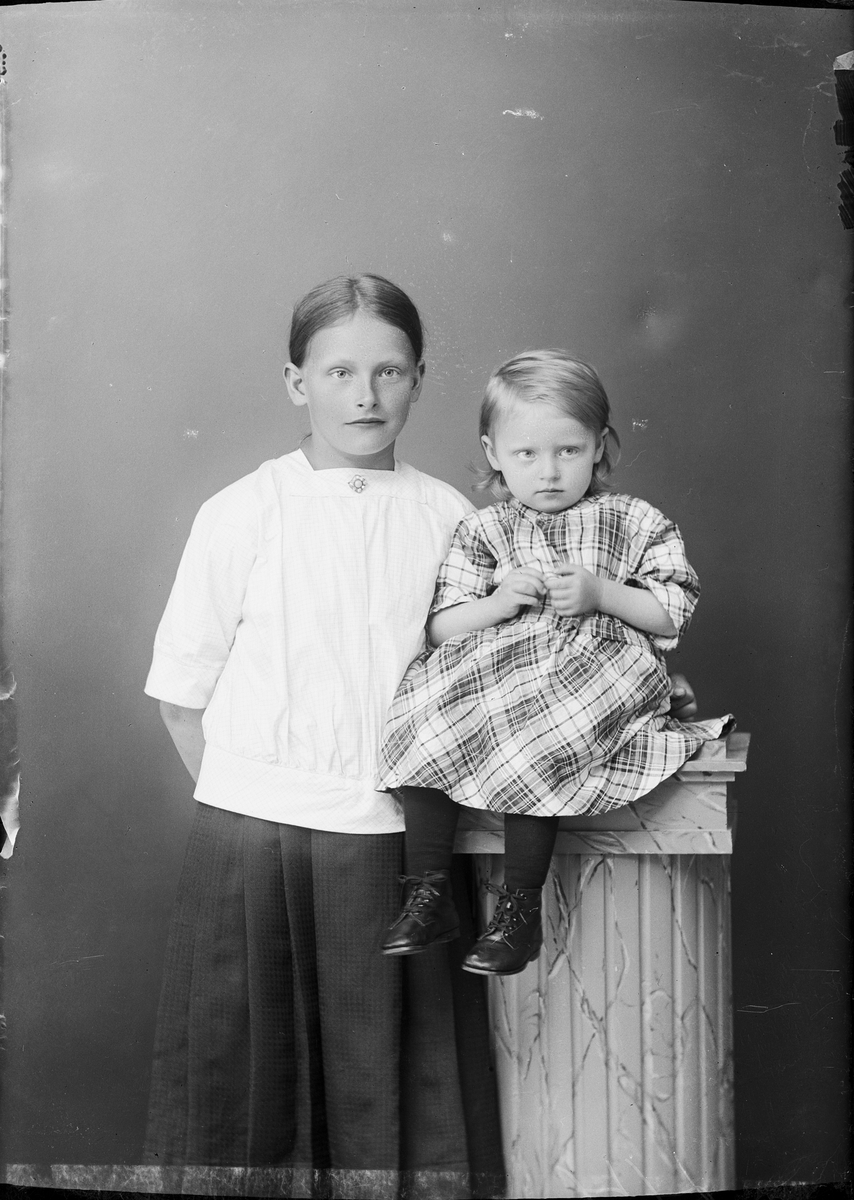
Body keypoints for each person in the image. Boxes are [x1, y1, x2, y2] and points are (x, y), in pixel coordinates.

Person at [143, 281, 699, 1191]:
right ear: (297, 383)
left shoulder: (453, 517)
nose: (365, 396)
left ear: (419, 380)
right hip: (255, 840)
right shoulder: (241, 511)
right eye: (339, 372)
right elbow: (180, 699)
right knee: (251, 1090)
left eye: (389, 372)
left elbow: (530, 668)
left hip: (403, 845)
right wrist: (257, 810)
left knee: (390, 1092)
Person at [378, 350, 729, 976]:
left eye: (569, 450)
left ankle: (520, 911)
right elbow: (440, 626)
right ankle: (428, 894)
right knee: (424, 718)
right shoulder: (484, 530)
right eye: (526, 454)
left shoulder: (632, 519)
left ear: (600, 447)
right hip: (500, 666)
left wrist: (602, 594)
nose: (548, 471)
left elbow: (671, 611)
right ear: (492, 452)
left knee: (539, 731)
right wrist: (497, 604)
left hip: (598, 666)